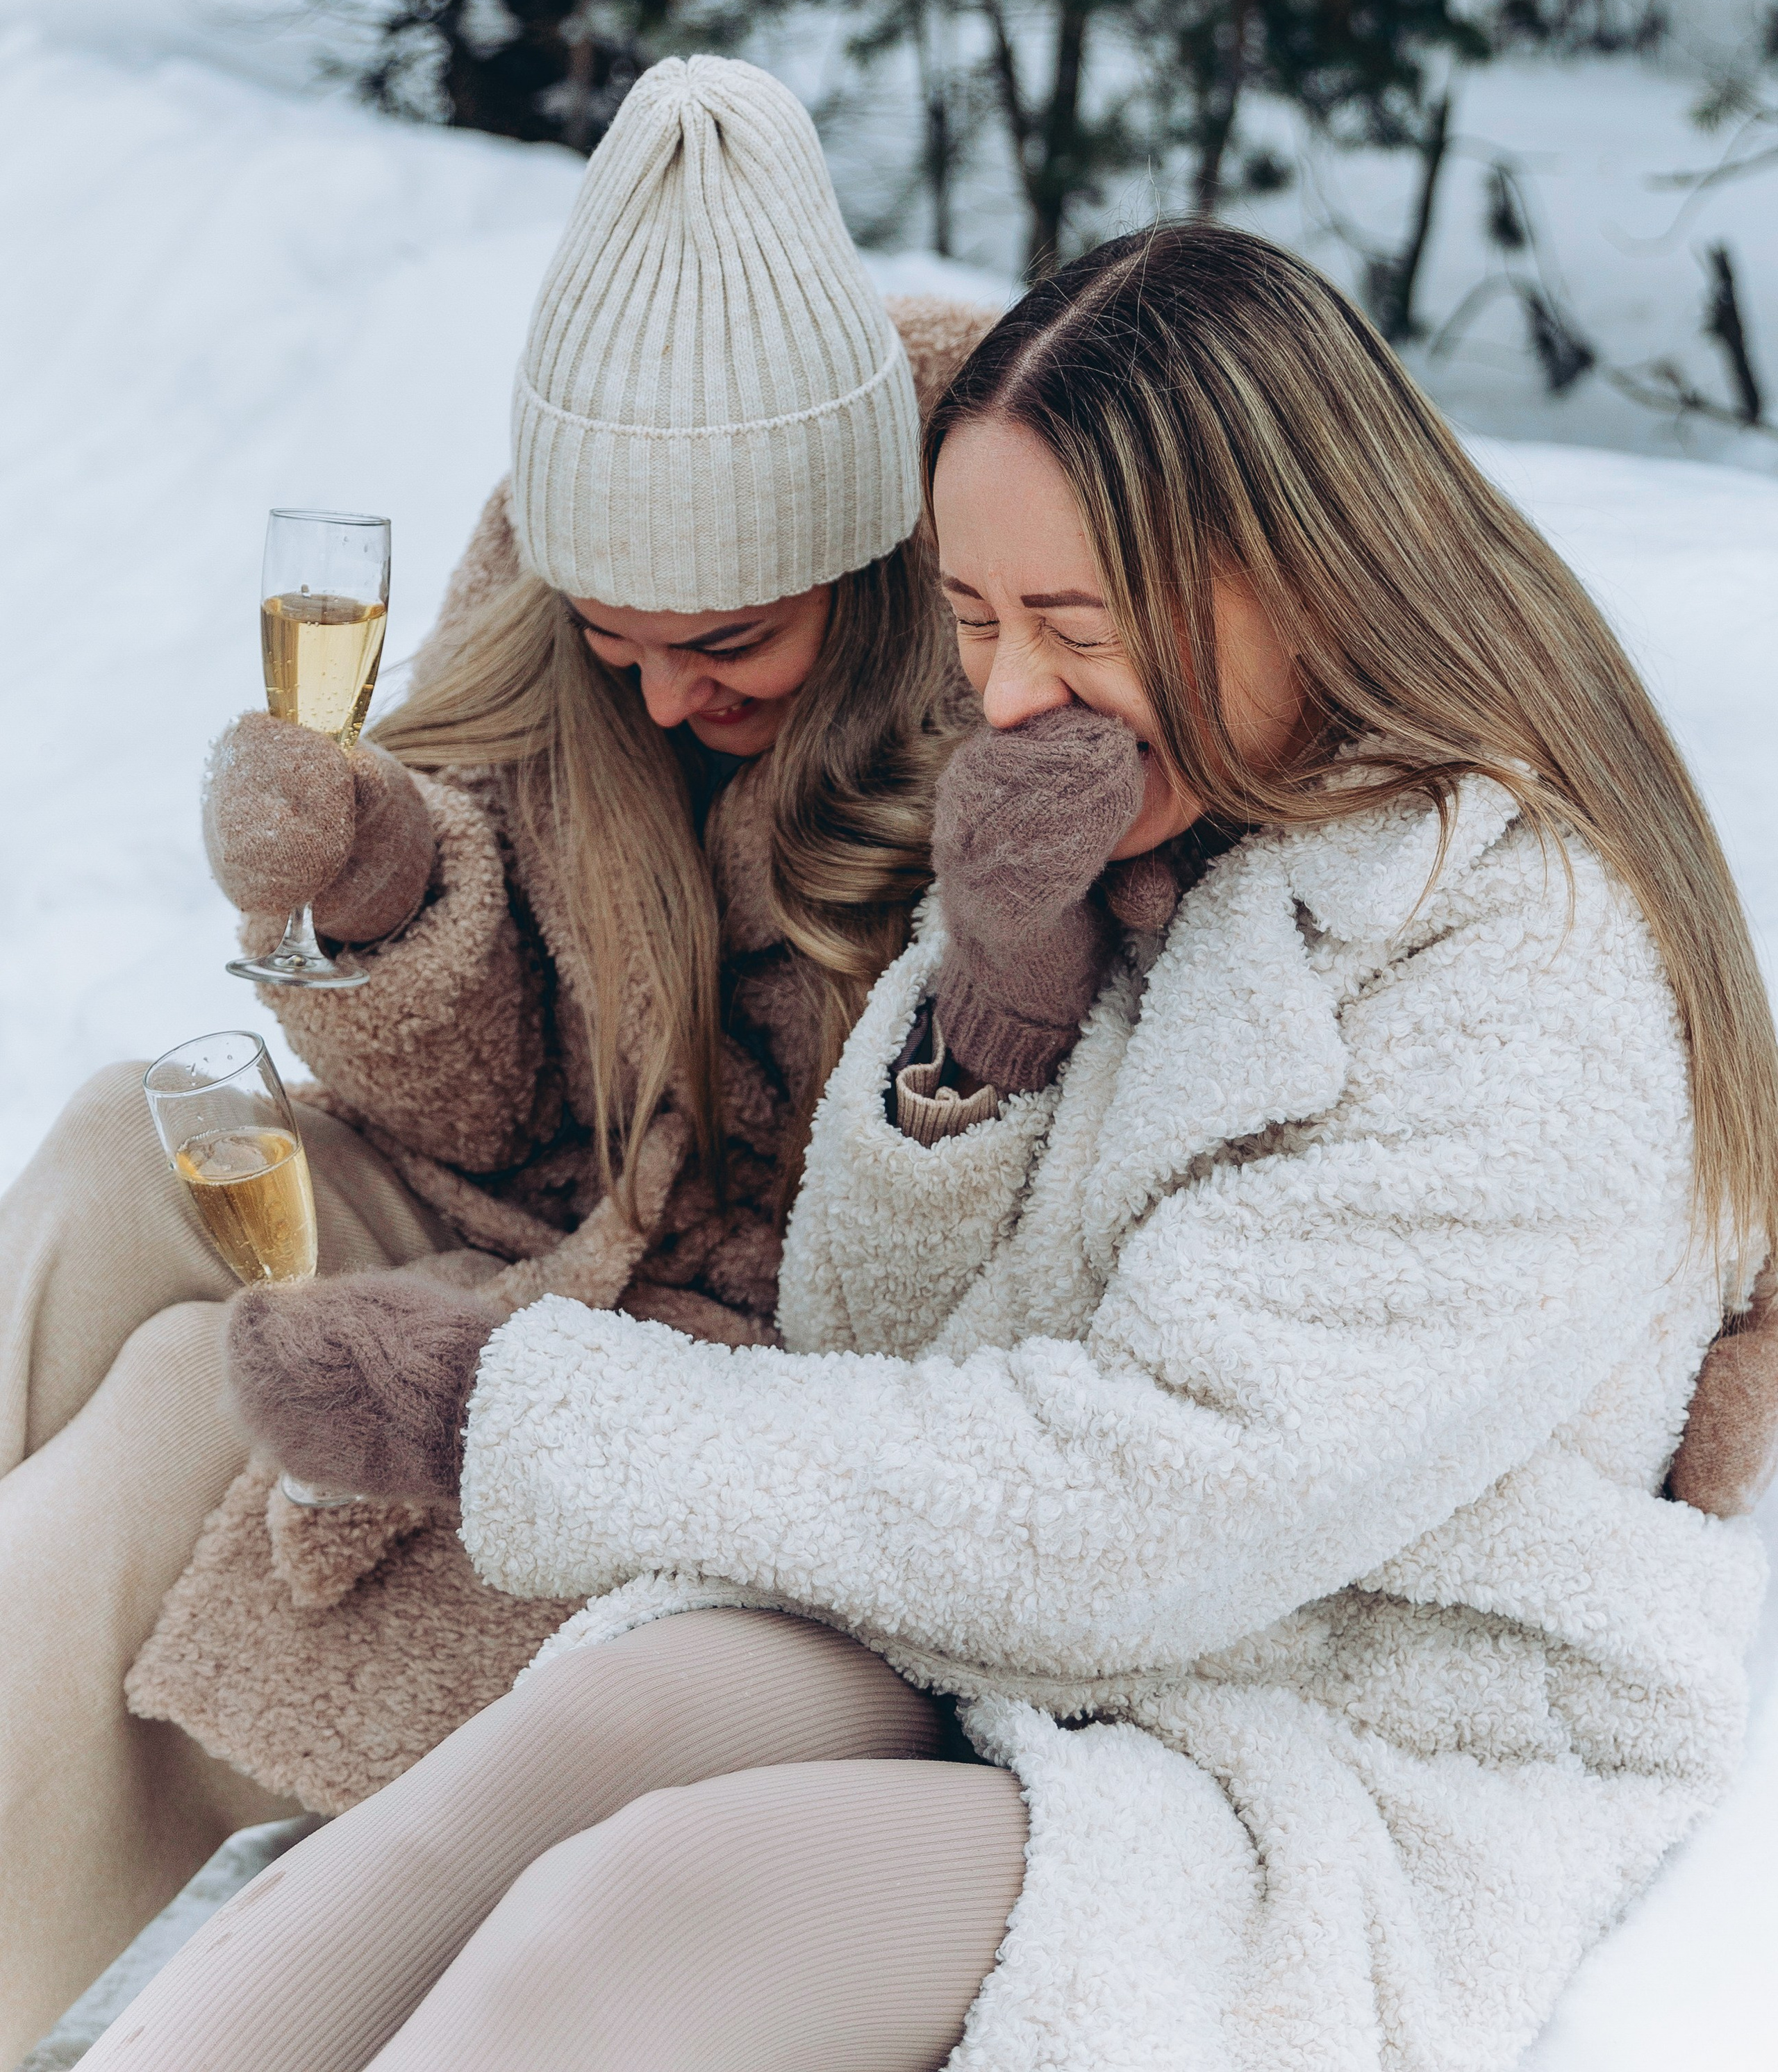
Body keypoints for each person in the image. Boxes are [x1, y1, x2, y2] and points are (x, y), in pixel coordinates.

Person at [80, 221, 1778, 2072]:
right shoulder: (1162, 846)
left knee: (631, 1919)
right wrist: (980, 1028)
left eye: (1073, 626)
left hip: (1322, 1713)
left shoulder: (1524, 974)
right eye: (977, 625)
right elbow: (879, 1345)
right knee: (566, 1751)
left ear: (1300, 581)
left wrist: (523, 1404)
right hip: (1021, 1632)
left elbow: (1140, 1515)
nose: (1016, 693)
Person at [0, 54, 991, 2064]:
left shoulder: (1005, 585)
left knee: (202, 1392)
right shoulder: (557, 575)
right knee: (133, 1139)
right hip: (555, 1200)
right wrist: (379, 895)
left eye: (723, 643)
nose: (660, 688)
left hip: (783, 1351)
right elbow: (474, 1104)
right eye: (614, 637)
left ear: (863, 550)